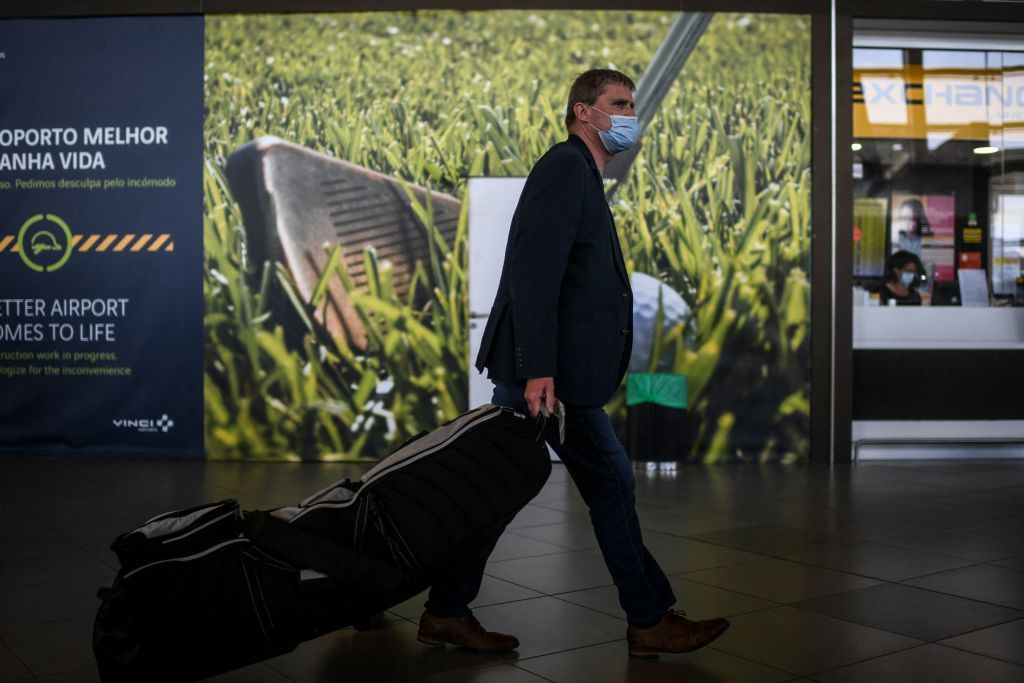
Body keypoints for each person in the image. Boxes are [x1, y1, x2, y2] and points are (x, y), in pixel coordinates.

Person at [415, 69, 730, 658]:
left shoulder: (581, 174)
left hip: (552, 377)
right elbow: (536, 277)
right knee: (609, 485)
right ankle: (649, 618)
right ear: (584, 113)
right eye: (619, 103)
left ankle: (446, 611)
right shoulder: (565, 168)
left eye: (633, 104)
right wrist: (539, 371)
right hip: (552, 381)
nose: (630, 114)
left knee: (499, 490)